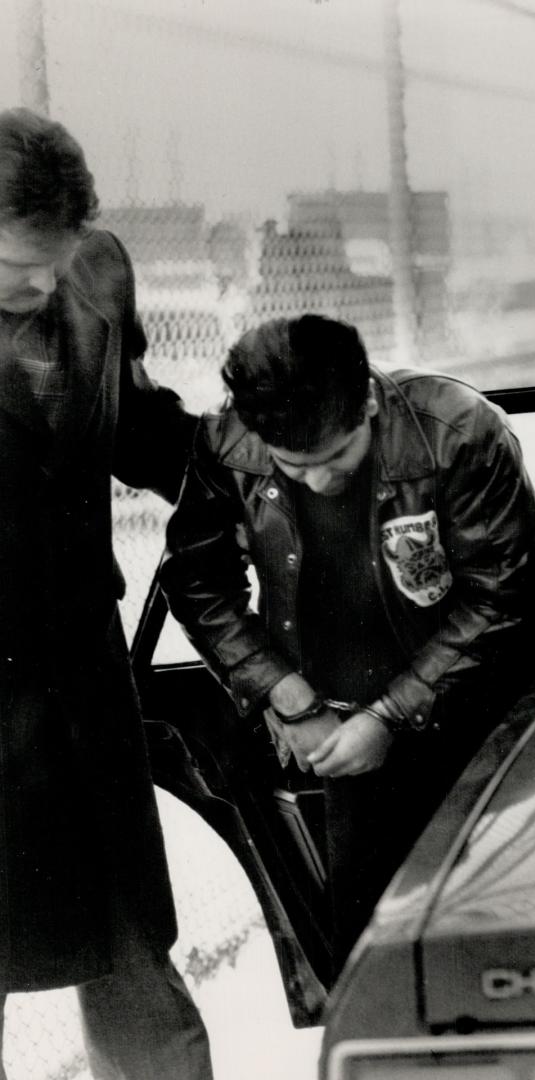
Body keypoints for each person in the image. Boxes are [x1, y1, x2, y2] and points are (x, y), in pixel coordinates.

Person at [161, 313, 535, 974]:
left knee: (505, 946)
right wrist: (284, 693)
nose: (320, 481)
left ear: (369, 405)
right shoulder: (229, 443)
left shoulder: (457, 431)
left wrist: (390, 713)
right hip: (349, 738)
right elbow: (198, 581)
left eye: (338, 457)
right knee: (373, 959)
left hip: (486, 718)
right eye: (296, 466)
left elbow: (505, 597)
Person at [0, 108, 213, 1079]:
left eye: (56, 257)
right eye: (14, 268)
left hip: (83, 691)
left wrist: (251, 466)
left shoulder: (98, 271)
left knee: (135, 964)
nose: (41, 285)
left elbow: (133, 425)